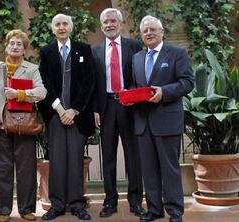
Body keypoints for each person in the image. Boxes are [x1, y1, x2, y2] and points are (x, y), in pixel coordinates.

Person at [131, 15, 194, 222]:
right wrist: (129, 96)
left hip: (167, 122)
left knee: (170, 170)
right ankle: (154, 210)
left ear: (162, 32)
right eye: (145, 30)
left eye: (152, 29)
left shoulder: (177, 53)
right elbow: (136, 86)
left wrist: (164, 92)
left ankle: (175, 211)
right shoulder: (137, 58)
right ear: (141, 35)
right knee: (148, 170)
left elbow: (187, 82)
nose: (149, 33)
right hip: (143, 122)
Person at [0, 29, 47, 222]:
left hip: (24, 125)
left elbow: (41, 92)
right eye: (12, 43)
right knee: (3, 169)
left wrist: (20, 94)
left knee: (26, 169)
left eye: (20, 44)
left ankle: (26, 209)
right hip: (0, 126)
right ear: (6, 46)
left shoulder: (31, 68)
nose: (15, 47)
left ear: (24, 48)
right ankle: (3, 211)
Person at [38, 13, 95, 221]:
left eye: (65, 24)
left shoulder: (84, 50)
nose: (61, 27)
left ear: (70, 27)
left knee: (75, 161)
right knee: (57, 162)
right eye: (57, 24)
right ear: (53, 29)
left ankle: (77, 204)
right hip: (55, 116)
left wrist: (74, 110)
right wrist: (61, 110)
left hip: (77, 117)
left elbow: (89, 82)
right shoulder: (46, 52)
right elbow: (45, 83)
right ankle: (57, 204)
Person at [91, 8, 144, 218]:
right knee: (109, 157)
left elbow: (139, 75)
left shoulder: (134, 46)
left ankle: (135, 201)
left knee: (133, 156)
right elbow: (93, 83)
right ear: (102, 25)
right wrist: (95, 108)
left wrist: (134, 97)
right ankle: (110, 202)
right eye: (105, 22)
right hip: (106, 107)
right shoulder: (94, 50)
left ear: (120, 24)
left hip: (128, 106)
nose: (109, 25)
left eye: (113, 21)